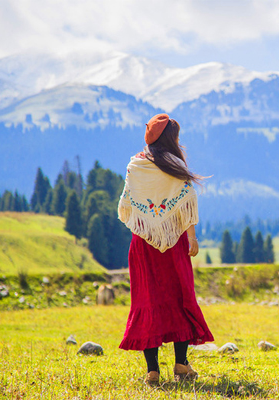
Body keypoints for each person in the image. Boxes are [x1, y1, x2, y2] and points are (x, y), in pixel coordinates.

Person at [117, 113, 214, 385]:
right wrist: (192, 238)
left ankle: (153, 371)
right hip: (174, 243)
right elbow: (187, 201)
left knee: (148, 301)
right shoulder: (174, 164)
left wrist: (149, 224)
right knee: (179, 297)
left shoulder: (135, 165)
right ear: (170, 139)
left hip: (143, 243)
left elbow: (128, 204)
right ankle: (181, 365)